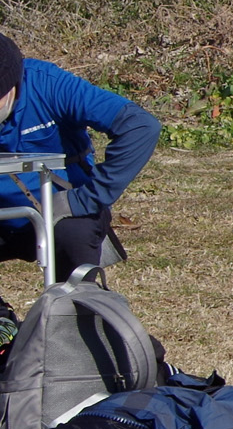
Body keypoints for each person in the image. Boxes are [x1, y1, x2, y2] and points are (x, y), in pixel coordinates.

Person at [0, 33, 159, 276]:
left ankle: (75, 308)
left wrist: (85, 199)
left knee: (73, 234)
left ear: (10, 84)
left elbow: (140, 125)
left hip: (61, 214)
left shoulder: (48, 84)